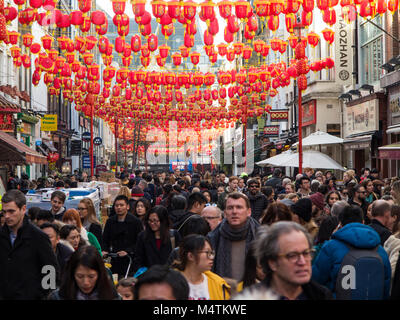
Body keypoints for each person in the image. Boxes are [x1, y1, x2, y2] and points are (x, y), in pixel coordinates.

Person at [236, 222, 332, 300]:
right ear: (272, 262)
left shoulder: (322, 295)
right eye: (292, 256)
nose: (302, 262)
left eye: (306, 253)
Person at [312, 205, 391, 299]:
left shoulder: (331, 247)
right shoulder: (380, 250)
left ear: (340, 224)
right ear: (363, 222)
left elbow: (316, 280)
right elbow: (386, 287)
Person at [0, 190, 59, 299]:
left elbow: (51, 272)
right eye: (4, 212)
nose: (7, 216)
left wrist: (40, 295)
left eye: (11, 211)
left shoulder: (38, 237)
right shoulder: (2, 236)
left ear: (23, 209)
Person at [208, 192, 260, 282]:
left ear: (249, 212)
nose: (234, 212)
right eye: (230, 208)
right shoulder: (212, 238)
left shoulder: (261, 236)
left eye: (239, 207)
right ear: (224, 213)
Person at [48, 245, 120, 300]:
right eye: (80, 276)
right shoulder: (58, 297)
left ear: (100, 274)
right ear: (72, 274)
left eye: (91, 276)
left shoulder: (112, 296)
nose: (86, 282)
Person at [174, 234, 231, 300]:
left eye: (212, 253)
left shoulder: (218, 284)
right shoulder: (170, 283)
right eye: (207, 252)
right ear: (190, 256)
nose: (211, 257)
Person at [102, 195, 143, 279]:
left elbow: (140, 242)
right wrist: (105, 250)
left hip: (130, 260)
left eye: (121, 205)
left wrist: (128, 251)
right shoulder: (110, 221)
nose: (119, 208)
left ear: (127, 207)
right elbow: (105, 239)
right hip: (114, 258)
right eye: (117, 205)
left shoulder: (136, 222)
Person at [133, 206, 180, 272]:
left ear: (163, 221)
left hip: (169, 277)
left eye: (155, 221)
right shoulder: (142, 236)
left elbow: (179, 258)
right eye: (150, 221)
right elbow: (138, 259)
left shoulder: (174, 235)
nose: (152, 223)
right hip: (149, 277)